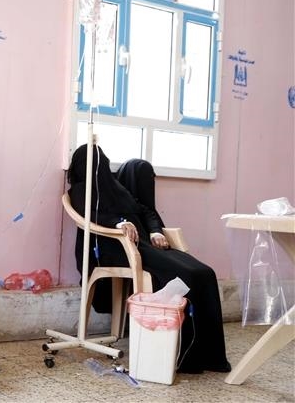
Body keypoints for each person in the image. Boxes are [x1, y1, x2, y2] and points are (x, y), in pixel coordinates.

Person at [67, 145, 231, 374]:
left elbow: (145, 211)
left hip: (148, 244)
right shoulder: (80, 191)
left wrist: (155, 231)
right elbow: (90, 216)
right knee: (187, 276)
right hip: (117, 248)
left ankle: (212, 356)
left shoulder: (117, 188)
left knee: (205, 272)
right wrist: (119, 223)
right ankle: (188, 356)